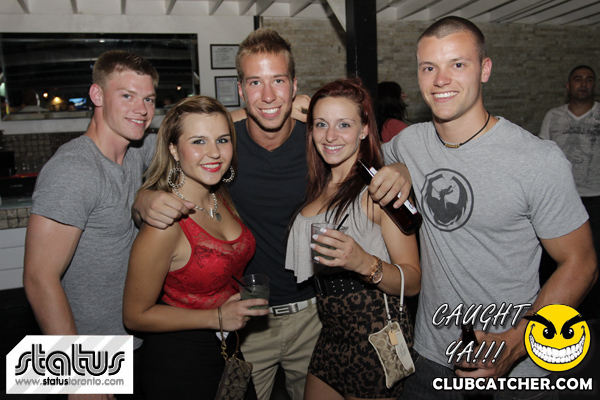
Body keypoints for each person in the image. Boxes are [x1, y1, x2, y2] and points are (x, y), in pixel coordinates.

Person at [132, 28, 411, 400]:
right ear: (240, 89)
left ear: (294, 85)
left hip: (316, 318)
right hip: (247, 321)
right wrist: (143, 197)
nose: (267, 96)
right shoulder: (222, 144)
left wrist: (402, 168)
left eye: (278, 81)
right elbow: (167, 152)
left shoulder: (318, 141)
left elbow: (366, 150)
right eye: (255, 83)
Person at [379, 17, 597, 399]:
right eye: (429, 68)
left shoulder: (537, 159)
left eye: (457, 64)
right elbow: (345, 153)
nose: (441, 79)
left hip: (513, 368)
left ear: (485, 69)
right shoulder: (407, 145)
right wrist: (397, 167)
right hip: (428, 358)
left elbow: (582, 264)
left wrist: (517, 341)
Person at [23, 50, 160, 399]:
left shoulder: (136, 148)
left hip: (130, 341)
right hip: (88, 353)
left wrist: (265, 110)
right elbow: (39, 278)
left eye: (148, 99)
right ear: (97, 95)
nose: (141, 109)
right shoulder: (74, 170)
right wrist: (78, 375)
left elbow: (196, 128)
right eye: (127, 96)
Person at [122, 95, 268, 399]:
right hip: (180, 361)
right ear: (174, 149)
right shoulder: (165, 222)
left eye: (222, 140)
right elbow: (134, 315)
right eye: (199, 141)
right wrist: (216, 318)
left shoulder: (219, 194)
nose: (214, 152)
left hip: (228, 349)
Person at [285, 77, 420, 400]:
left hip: (375, 337)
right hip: (331, 335)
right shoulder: (318, 185)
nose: (330, 136)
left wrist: (364, 263)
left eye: (344, 124)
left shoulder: (379, 191)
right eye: (321, 124)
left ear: (364, 130)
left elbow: (413, 281)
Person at [539, 65, 600, 320]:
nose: (583, 84)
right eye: (577, 79)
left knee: (590, 261)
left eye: (589, 79)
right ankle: (555, 315)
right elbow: (541, 155)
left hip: (596, 198)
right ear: (568, 86)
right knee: (557, 261)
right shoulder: (553, 116)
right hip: (561, 200)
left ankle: (591, 317)